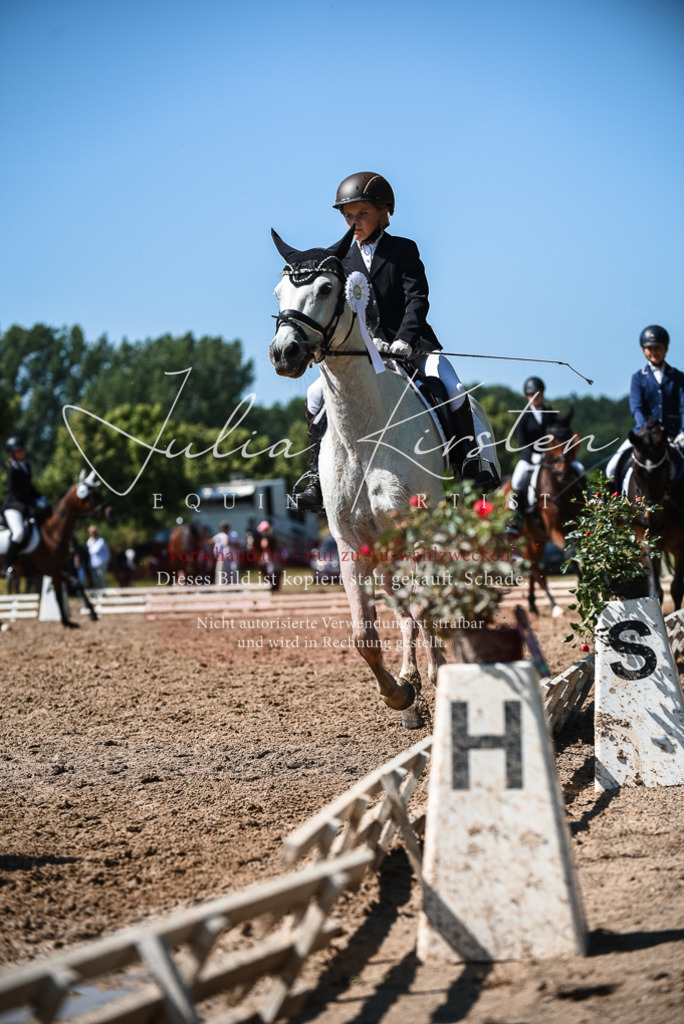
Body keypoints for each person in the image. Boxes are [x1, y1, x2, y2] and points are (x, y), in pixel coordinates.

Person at [296, 171, 499, 511]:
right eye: (348, 216)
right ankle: (317, 477)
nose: (354, 222)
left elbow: (417, 298)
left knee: (453, 385)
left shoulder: (403, 249)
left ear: (384, 213)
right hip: (362, 351)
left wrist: (405, 338)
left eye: (362, 214)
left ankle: (471, 463)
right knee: (314, 394)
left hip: (412, 348)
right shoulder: (340, 261)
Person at [607, 325, 684, 481]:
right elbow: (636, 407)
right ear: (643, 350)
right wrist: (646, 429)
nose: (653, 352)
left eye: (657, 348)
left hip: (673, 434)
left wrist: (683, 432)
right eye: (649, 348)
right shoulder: (638, 378)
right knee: (611, 468)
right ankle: (615, 503)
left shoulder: (678, 376)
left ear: (666, 348)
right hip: (644, 434)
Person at [507, 376, 584, 532]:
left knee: (580, 470)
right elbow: (522, 441)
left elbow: (560, 430)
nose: (535, 397)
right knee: (517, 480)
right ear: (526, 396)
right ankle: (516, 516)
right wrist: (532, 455)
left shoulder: (550, 413)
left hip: (553, 457)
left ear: (542, 394)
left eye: (538, 393)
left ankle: (586, 507)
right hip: (530, 458)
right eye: (531, 394)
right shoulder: (523, 416)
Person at [1, 434, 49, 580]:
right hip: (12, 506)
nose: (22, 452)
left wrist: (40, 497)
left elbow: (29, 488)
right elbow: (16, 493)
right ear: (11, 453)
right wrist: (35, 502)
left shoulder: (26, 466)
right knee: (19, 533)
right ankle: (7, 567)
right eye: (18, 450)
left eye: (22, 449)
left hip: (24, 507)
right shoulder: (11, 469)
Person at [86, 525, 110, 590]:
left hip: (100, 564)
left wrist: (106, 561)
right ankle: (98, 594)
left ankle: (103, 594)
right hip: (92, 564)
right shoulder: (89, 541)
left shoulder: (101, 541)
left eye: (93, 532)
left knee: (101, 580)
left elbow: (107, 552)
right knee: (95, 581)